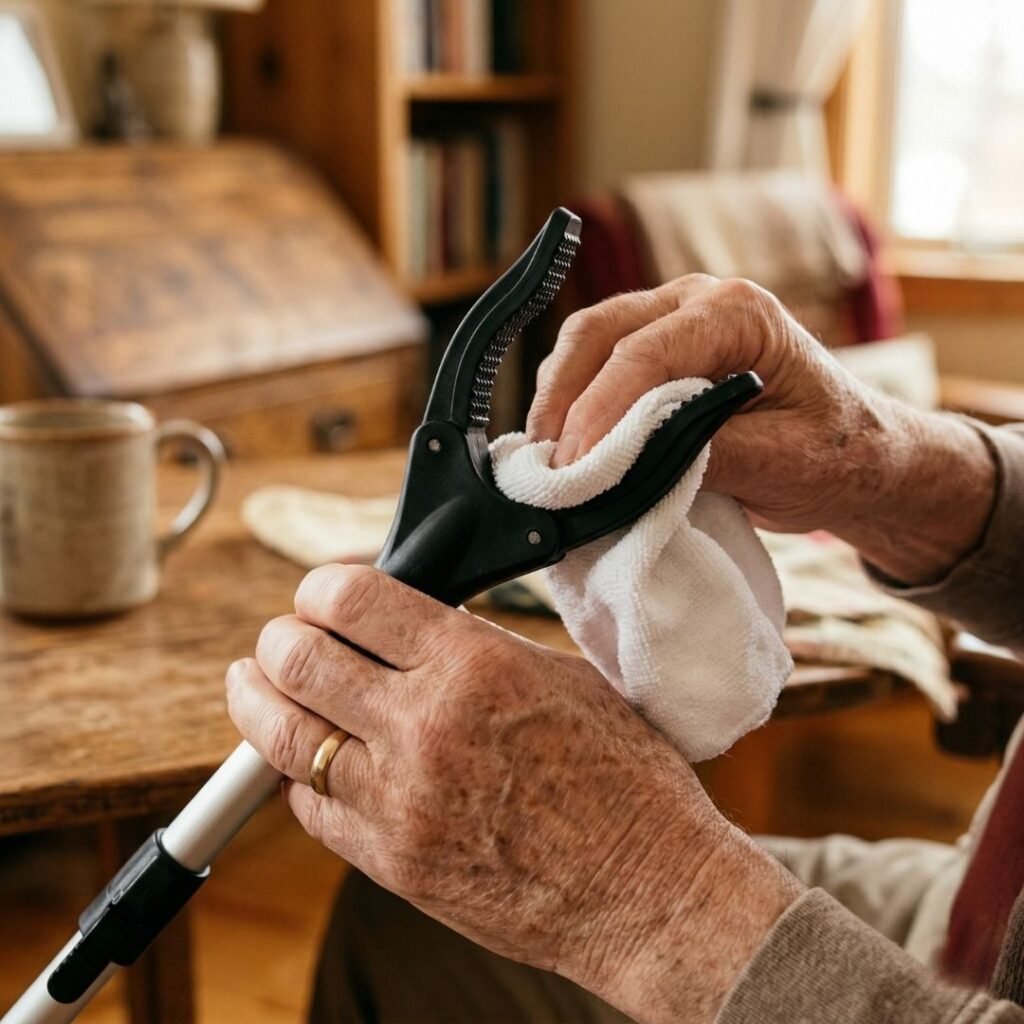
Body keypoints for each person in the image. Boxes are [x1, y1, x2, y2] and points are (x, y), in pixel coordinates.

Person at [225, 275, 1024, 1023]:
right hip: (973, 905)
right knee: (396, 929)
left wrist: (641, 887)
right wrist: (886, 461)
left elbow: (647, 892)